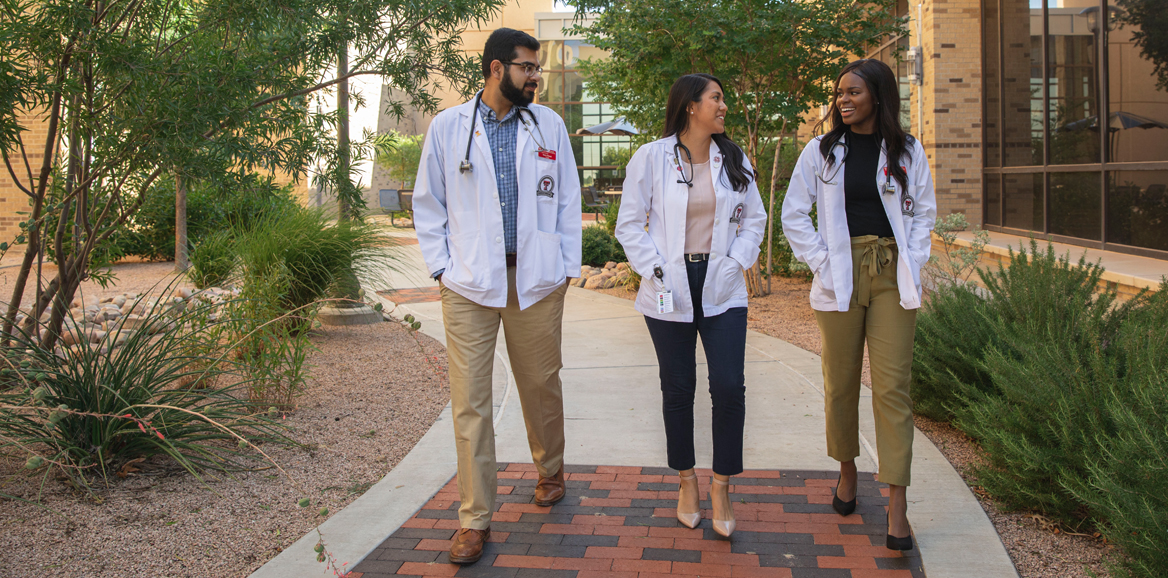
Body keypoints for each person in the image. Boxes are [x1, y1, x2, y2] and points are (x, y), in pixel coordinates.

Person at [412, 27, 582, 565]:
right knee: (470, 402)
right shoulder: (448, 128)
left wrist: (565, 268)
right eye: (527, 67)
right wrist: (441, 267)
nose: (536, 76)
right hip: (468, 284)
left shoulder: (548, 124)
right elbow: (429, 203)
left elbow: (568, 198)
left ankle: (550, 468)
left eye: (536, 67)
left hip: (534, 279)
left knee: (540, 383)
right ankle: (474, 519)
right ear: (495, 69)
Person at [780, 59, 936, 551]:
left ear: (878, 95)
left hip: (892, 272)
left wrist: (912, 259)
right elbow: (793, 214)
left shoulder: (908, 151)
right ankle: (847, 469)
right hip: (840, 274)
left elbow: (924, 212)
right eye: (839, 93)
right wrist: (823, 262)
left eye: (854, 92)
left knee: (892, 389)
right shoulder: (822, 150)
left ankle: (897, 506)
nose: (843, 100)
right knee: (841, 382)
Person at [615, 73, 766, 538]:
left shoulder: (733, 158)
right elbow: (629, 224)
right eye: (716, 99)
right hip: (669, 284)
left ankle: (721, 484)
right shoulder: (651, 158)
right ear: (690, 107)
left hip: (721, 285)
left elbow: (754, 220)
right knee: (678, 388)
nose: (723, 107)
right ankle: (686, 482)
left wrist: (736, 262)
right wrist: (654, 267)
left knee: (728, 386)